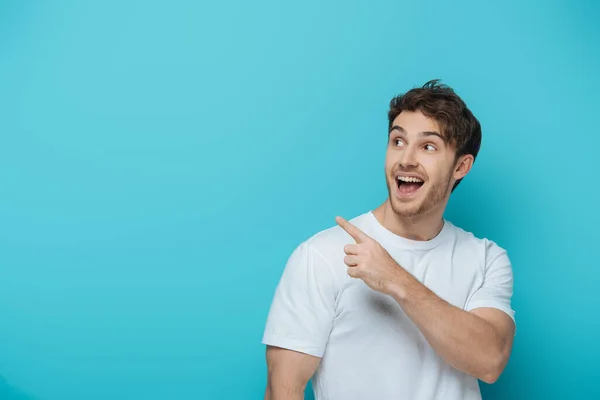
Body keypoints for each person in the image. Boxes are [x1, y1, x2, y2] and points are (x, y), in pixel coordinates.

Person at [261, 80, 516, 400]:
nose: (406, 159)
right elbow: (282, 389)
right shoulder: (322, 255)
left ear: (461, 166)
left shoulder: (485, 258)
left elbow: (490, 361)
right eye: (398, 141)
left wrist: (395, 279)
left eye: (428, 146)